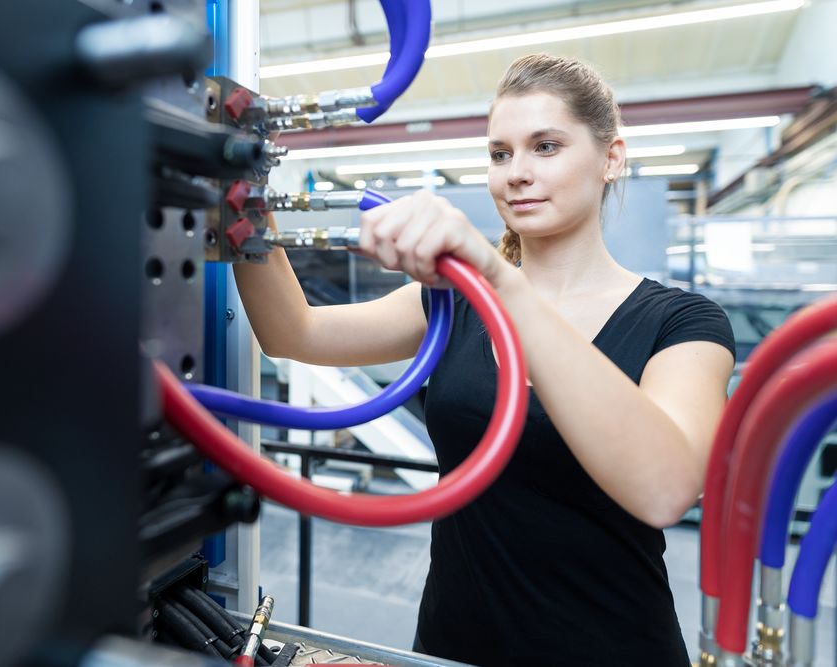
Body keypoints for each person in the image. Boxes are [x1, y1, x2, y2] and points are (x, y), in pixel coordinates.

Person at [234, 53, 735, 666]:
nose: (516, 173)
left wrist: (498, 275)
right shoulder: (455, 302)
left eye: (545, 147)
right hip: (449, 649)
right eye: (500, 154)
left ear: (611, 157)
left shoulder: (683, 322)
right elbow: (297, 333)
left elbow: (665, 488)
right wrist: (240, 202)